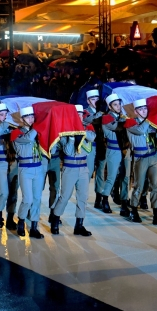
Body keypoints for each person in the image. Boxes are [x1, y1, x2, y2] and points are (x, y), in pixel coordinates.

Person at [50, 105, 96, 237]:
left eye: (81, 115)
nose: (79, 117)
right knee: (64, 196)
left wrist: (79, 130)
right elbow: (69, 152)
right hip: (70, 168)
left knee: (83, 198)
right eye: (76, 115)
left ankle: (79, 225)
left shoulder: (87, 128)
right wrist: (71, 135)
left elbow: (92, 138)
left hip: (83, 168)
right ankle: (55, 220)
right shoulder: (64, 131)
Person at [124, 98, 157, 226]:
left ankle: (156, 214)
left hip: (153, 157)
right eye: (141, 109)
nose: (144, 111)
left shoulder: (151, 124)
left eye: (145, 109)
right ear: (136, 112)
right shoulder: (131, 123)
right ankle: (133, 210)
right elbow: (141, 131)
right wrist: (149, 121)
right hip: (140, 158)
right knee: (138, 185)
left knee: (155, 186)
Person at [10, 106, 45, 238]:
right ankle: (21, 221)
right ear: (22, 119)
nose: (31, 119)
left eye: (32, 117)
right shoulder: (16, 133)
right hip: (25, 168)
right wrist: (37, 127)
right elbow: (28, 139)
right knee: (28, 199)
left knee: (37, 199)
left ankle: (34, 227)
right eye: (28, 117)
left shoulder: (36, 132)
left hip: (38, 167)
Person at [96, 93, 128, 215]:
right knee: (112, 176)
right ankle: (105, 198)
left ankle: (124, 200)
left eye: (119, 104)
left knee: (125, 176)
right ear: (110, 106)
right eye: (115, 104)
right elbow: (117, 127)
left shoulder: (121, 116)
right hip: (113, 150)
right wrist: (126, 120)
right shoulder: (107, 118)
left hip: (124, 149)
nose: (118, 106)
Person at [82, 89, 104, 179]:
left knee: (101, 171)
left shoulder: (102, 112)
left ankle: (100, 192)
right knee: (89, 170)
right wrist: (101, 112)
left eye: (97, 99)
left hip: (102, 143)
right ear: (88, 101)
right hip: (91, 144)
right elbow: (90, 119)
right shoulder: (85, 112)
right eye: (93, 99)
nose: (96, 101)